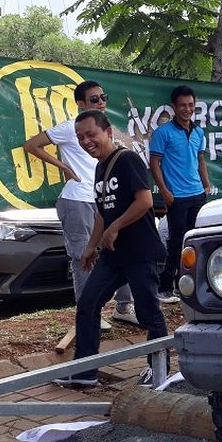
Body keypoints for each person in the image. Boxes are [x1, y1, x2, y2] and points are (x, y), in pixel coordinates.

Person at [54, 110, 168, 387]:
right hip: (113, 255)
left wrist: (115, 228)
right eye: (80, 137)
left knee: (147, 311)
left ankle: (159, 369)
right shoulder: (99, 168)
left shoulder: (127, 159)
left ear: (108, 132)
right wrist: (91, 246)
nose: (85, 141)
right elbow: (102, 213)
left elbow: (144, 202)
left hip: (140, 252)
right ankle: (84, 372)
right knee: (88, 303)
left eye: (91, 135)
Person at [21, 81, 137, 327]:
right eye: (94, 99)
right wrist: (63, 166)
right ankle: (88, 312)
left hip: (105, 198)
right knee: (83, 257)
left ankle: (124, 307)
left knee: (122, 248)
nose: (101, 102)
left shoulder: (106, 129)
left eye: (103, 97)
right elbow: (31, 145)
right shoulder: (68, 128)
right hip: (77, 200)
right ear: (81, 104)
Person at [150, 85, 210, 302]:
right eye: (183, 105)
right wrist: (165, 191)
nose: (187, 109)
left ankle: (186, 285)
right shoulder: (163, 132)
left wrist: (206, 184)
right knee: (176, 242)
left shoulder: (198, 132)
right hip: (177, 196)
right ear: (174, 106)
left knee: (196, 240)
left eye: (191, 105)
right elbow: (154, 163)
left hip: (197, 195)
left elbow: (200, 159)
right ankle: (165, 286)